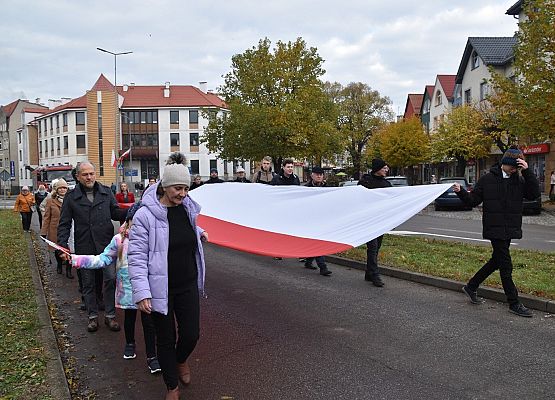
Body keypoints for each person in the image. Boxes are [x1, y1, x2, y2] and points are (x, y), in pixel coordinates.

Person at [128, 152, 208, 400]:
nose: (183, 194)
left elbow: (186, 229)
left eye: (186, 188)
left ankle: (181, 359)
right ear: (164, 187)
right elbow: (137, 257)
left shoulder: (187, 209)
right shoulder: (144, 215)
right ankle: (171, 386)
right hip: (159, 289)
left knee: (191, 334)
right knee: (164, 338)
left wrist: (200, 232)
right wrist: (142, 293)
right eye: (177, 188)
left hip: (187, 284)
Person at [70, 203, 161, 374]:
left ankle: (152, 356)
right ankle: (130, 344)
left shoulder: (154, 239)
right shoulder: (119, 240)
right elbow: (102, 259)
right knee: (129, 318)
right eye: (137, 220)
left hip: (148, 289)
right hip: (128, 291)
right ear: (129, 220)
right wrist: (77, 259)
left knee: (149, 323)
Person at [454, 147, 540, 318]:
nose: (515, 170)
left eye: (518, 167)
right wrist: (461, 192)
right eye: (513, 166)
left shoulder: (519, 180)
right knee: (506, 265)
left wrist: (528, 171)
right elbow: (472, 201)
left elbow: (534, 195)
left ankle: (471, 286)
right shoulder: (487, 179)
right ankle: (514, 303)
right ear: (504, 164)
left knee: (496, 261)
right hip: (495, 228)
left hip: (510, 228)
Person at [58, 161, 127, 333]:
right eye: (85, 174)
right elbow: (64, 223)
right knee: (88, 284)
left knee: (111, 279)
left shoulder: (106, 192)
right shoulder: (71, 197)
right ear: (78, 177)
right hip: (85, 246)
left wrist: (131, 213)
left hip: (106, 246)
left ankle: (110, 316)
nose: (89, 177)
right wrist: (62, 246)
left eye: (91, 173)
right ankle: (92, 317)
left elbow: (115, 212)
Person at [357, 158, 391, 287]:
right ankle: (375, 275)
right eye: (384, 168)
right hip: (368, 221)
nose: (386, 169)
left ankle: (369, 272)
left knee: (376, 248)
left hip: (381, 221)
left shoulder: (386, 184)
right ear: (377, 169)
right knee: (372, 247)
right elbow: (358, 199)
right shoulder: (365, 182)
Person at [303, 167, 332, 276]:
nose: (319, 176)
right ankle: (323, 267)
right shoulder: (306, 188)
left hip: (322, 219)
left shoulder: (327, 188)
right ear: (312, 175)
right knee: (317, 242)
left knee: (317, 241)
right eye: (317, 174)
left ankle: (308, 261)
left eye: (321, 174)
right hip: (310, 219)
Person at [41, 179, 72, 278]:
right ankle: (59, 264)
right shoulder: (51, 201)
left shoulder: (71, 200)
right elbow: (46, 217)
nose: (62, 190)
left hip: (69, 229)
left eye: (64, 188)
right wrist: (43, 231)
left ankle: (68, 270)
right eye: (60, 188)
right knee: (57, 249)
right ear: (57, 190)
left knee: (69, 250)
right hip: (54, 229)